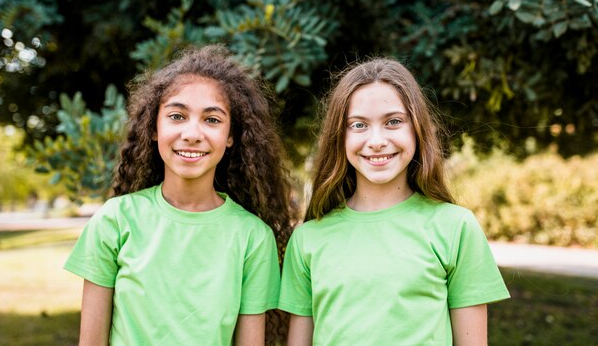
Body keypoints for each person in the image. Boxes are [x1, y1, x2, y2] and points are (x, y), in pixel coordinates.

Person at [65, 45, 292, 345]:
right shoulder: (115, 220)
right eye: (177, 116)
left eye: (212, 120)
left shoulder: (253, 237)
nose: (192, 133)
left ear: (231, 136)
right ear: (154, 128)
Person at [278, 58, 510, 345]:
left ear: (417, 130)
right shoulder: (307, 239)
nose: (376, 140)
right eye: (359, 124)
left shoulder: (456, 227)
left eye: (393, 122)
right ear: (340, 136)